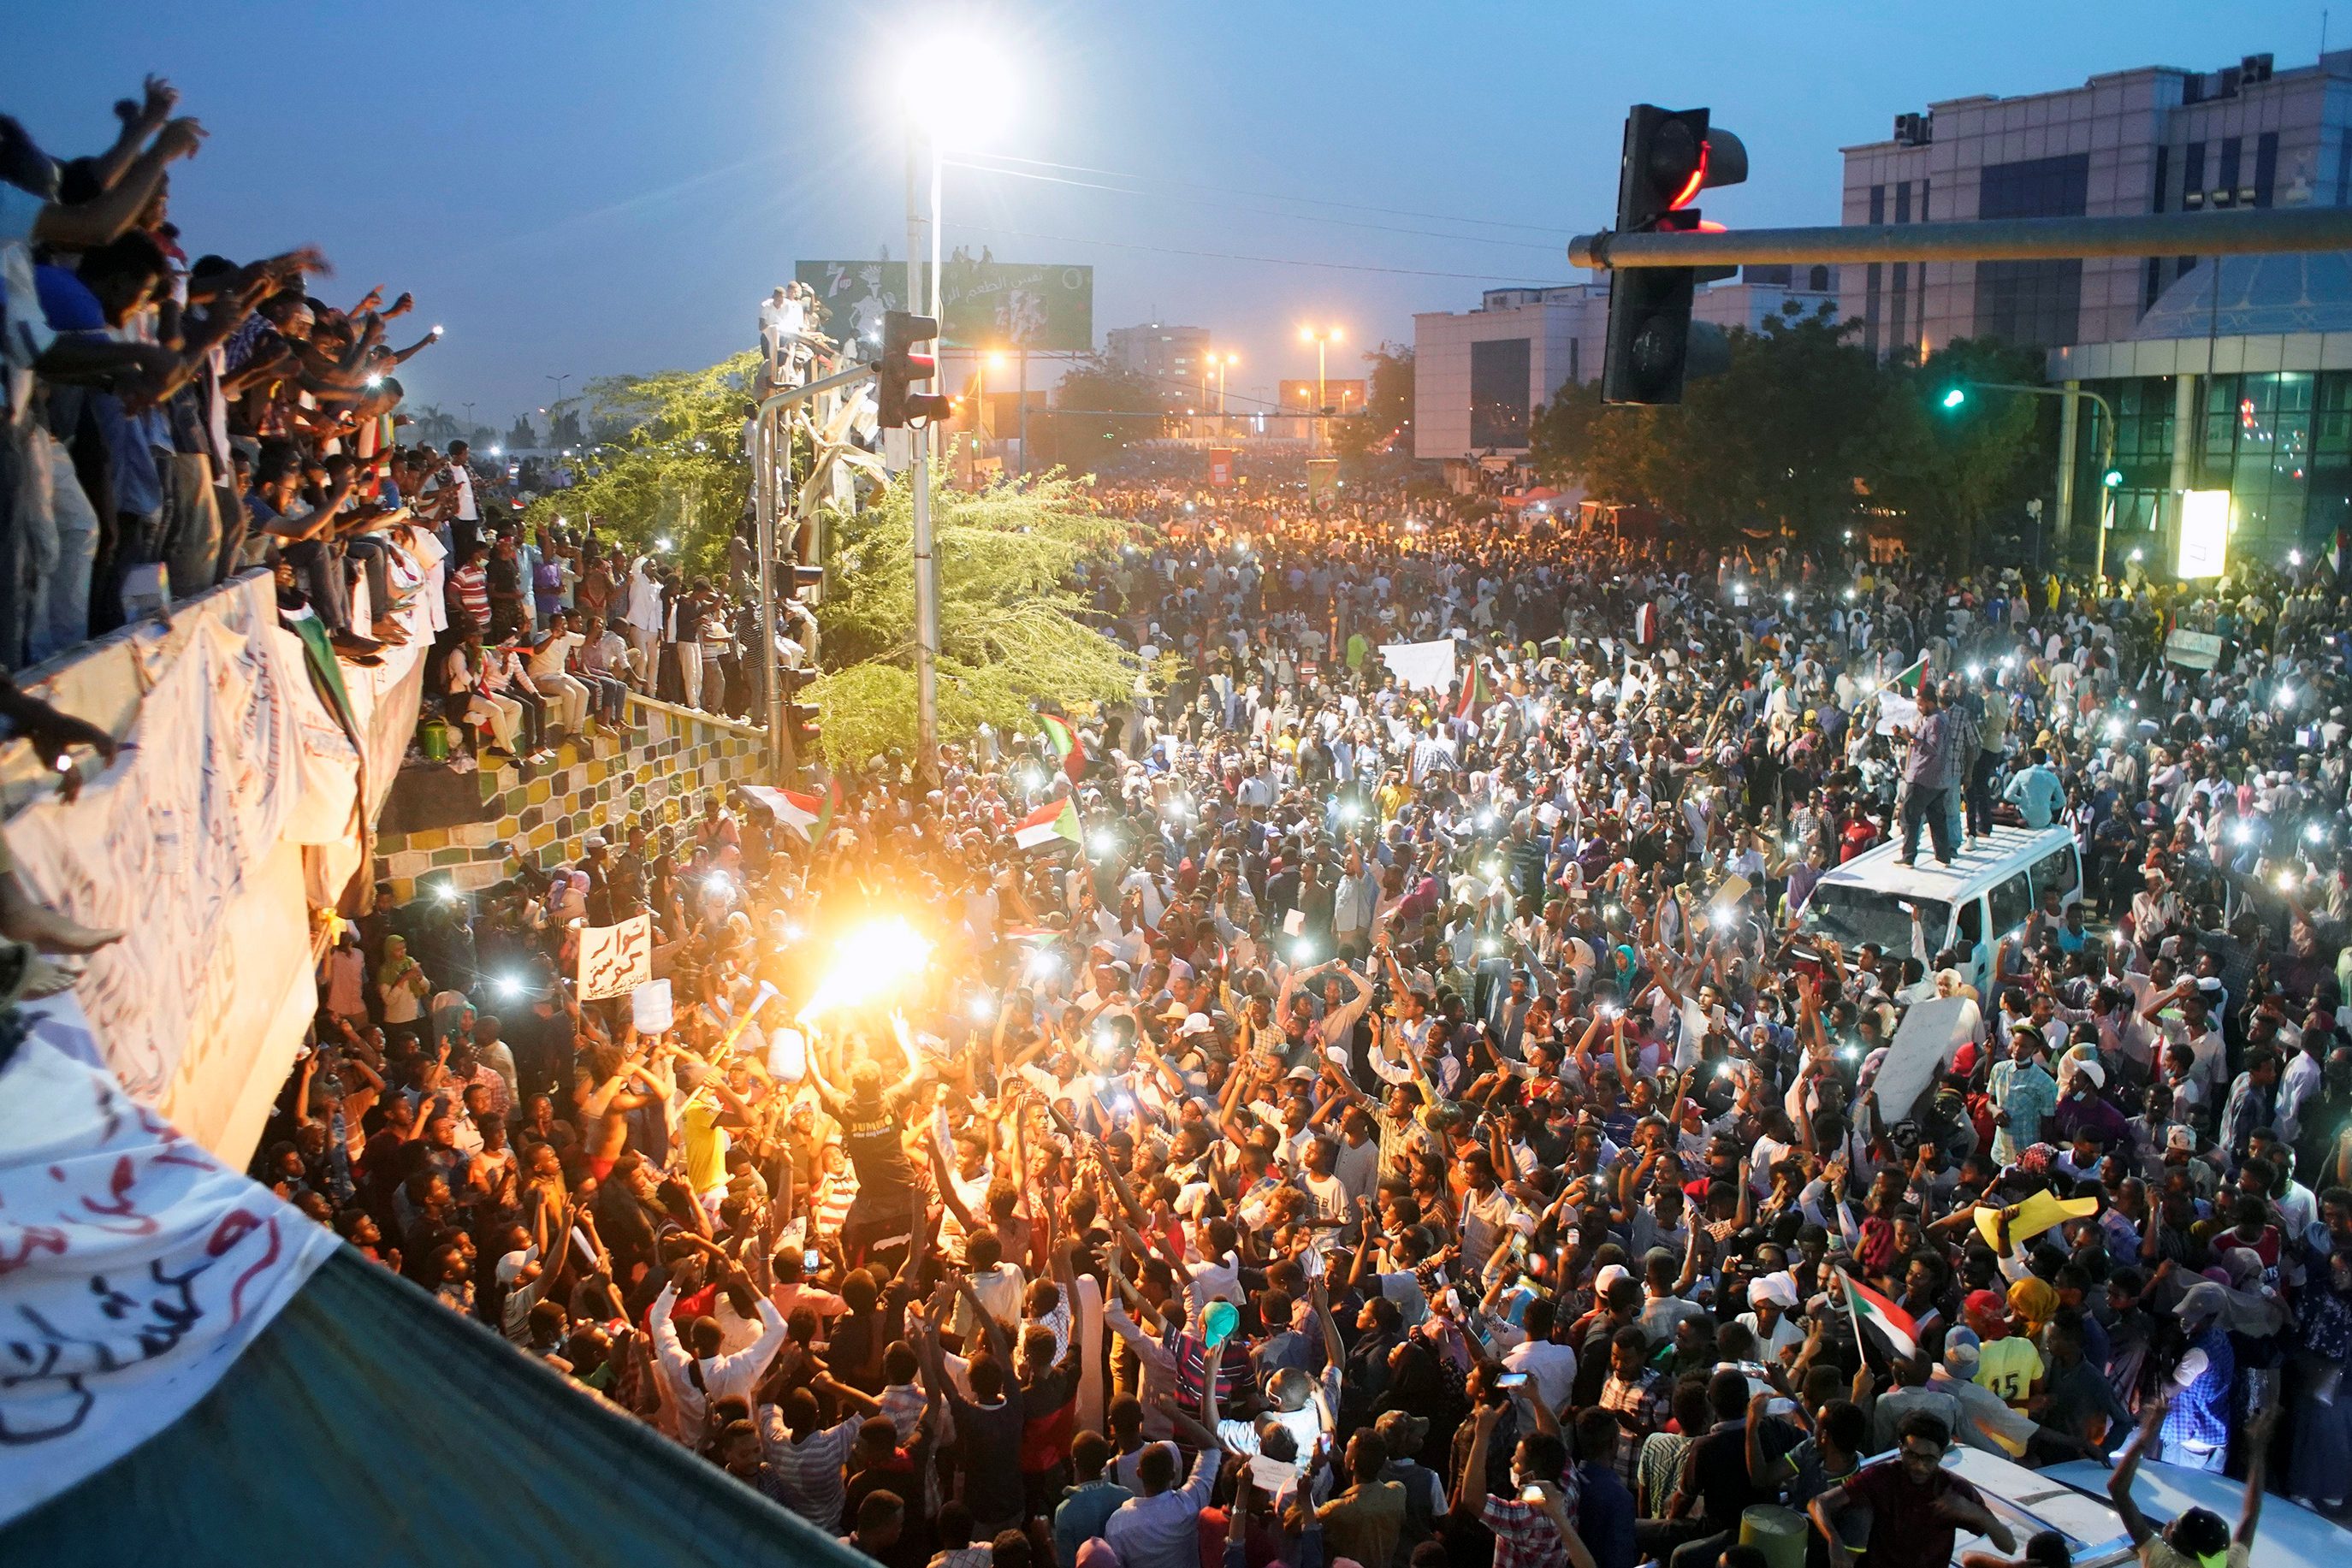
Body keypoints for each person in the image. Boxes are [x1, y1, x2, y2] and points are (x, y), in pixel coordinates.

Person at [1809, 1411, 2013, 1568]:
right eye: (1912, 1455)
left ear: (1941, 1455)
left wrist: (1975, 1513)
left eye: (1928, 1459)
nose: (1919, 1466)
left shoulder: (1955, 1490)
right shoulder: (1881, 1477)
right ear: (1900, 1448)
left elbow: (2009, 1546)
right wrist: (1834, 1542)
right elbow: (1819, 1503)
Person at [2108, 1398, 2275, 1568]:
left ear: (2185, 1547)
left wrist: (2144, 1436)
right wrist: (2258, 1451)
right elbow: (2251, 1513)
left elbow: (2117, 1489)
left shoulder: (2163, 1563)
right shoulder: (2231, 1564)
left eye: (2175, 1526)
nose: (2169, 1523)